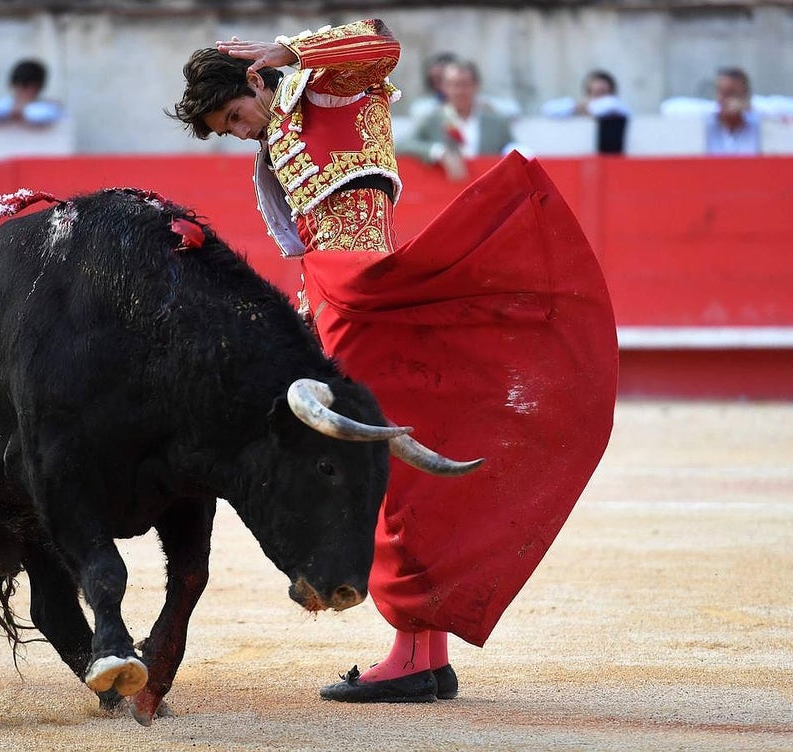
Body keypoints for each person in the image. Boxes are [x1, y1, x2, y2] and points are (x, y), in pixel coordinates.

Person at [171, 19, 617, 703]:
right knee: (395, 461)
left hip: (364, 291)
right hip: (339, 294)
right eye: (228, 127)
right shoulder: (289, 119)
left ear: (257, 82)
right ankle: (421, 653)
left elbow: (380, 40)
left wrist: (285, 50)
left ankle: (414, 656)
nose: (241, 130)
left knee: (382, 472)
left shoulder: (322, 89)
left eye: (236, 114)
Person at [397, 59, 515, 181]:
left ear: (475, 86)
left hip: (488, 189)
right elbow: (400, 145)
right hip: (448, 192)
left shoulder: (496, 122)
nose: (459, 91)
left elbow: (513, 148)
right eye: (453, 85)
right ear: (444, 88)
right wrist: (439, 152)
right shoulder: (433, 119)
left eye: (464, 84)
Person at [541, 69, 630, 154]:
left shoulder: (616, 106)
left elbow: (609, 105)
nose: (599, 95)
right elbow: (548, 109)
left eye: (602, 91)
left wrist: (586, 108)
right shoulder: (578, 107)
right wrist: (577, 108)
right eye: (595, 91)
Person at [0, 58, 62, 126]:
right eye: (22, 85)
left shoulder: (47, 107)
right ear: (13, 85)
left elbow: (45, 115)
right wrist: (11, 112)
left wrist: (22, 111)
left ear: (39, 87)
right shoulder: (3, 104)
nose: (24, 90)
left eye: (30, 86)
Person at [706, 67, 760, 155]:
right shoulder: (707, 123)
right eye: (719, 91)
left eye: (729, 93)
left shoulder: (758, 125)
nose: (721, 98)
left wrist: (750, 106)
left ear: (745, 95)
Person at [407, 51, 458, 121]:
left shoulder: (475, 109)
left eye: (442, 79)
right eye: (434, 80)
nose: (439, 86)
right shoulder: (422, 109)